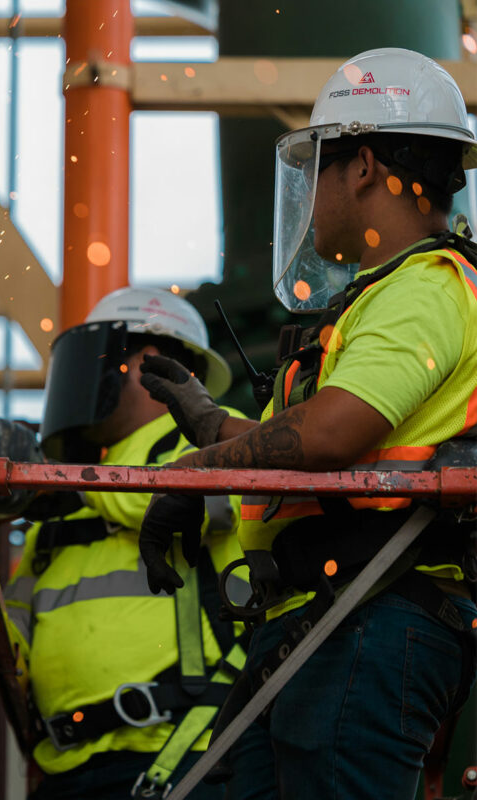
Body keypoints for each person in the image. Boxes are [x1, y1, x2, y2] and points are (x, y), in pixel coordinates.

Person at [137, 48, 477, 800]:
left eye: (318, 165)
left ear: (360, 166)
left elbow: (326, 436)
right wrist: (209, 425)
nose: (311, 193)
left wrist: (192, 476)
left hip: (368, 615)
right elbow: (291, 448)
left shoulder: (422, 288)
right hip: (329, 616)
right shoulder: (377, 300)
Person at [0, 287, 249, 799]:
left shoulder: (216, 449)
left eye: (100, 361)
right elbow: (12, 645)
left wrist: (62, 481)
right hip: (69, 773)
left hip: (185, 758)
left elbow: (176, 499)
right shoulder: (62, 506)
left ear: (152, 365)